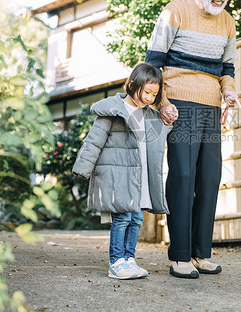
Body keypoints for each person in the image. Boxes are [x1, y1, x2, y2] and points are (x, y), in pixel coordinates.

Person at [145, 0, 238, 279]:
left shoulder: (228, 22)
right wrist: (162, 102)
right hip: (179, 106)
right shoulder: (175, 11)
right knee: (183, 177)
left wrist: (229, 90)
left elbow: (228, 69)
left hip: (212, 108)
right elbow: (153, 64)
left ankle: (201, 253)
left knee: (209, 179)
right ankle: (180, 255)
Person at [72, 63, 172, 280]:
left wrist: (169, 115)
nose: (149, 98)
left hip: (138, 176)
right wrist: (83, 167)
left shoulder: (148, 114)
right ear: (131, 84)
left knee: (136, 218)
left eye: (154, 94)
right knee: (123, 218)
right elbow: (94, 141)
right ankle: (116, 262)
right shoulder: (112, 111)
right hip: (118, 175)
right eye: (147, 92)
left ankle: (129, 260)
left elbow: (159, 135)